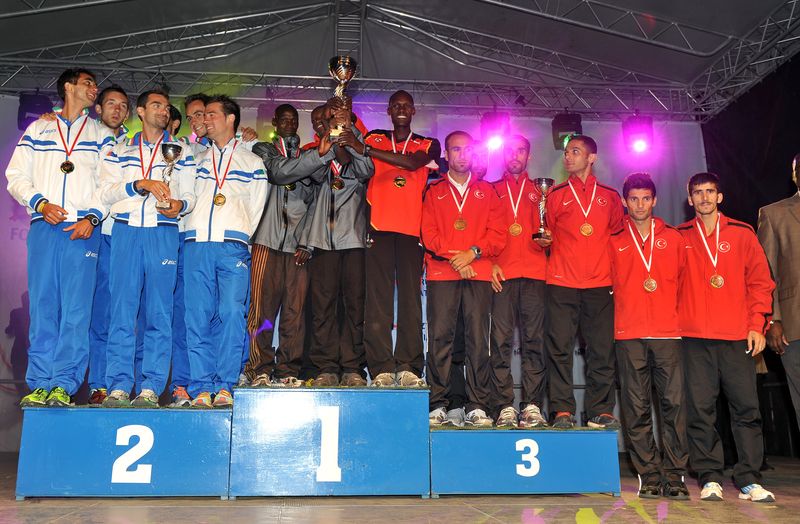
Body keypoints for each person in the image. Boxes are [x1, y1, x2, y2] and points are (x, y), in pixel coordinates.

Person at [8, 67, 113, 407]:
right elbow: (15, 175)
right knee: (43, 308)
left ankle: (64, 385)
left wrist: (93, 217)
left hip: (82, 229)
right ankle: (40, 383)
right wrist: (39, 202)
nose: (94, 88)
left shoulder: (101, 134)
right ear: (69, 87)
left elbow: (109, 183)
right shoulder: (39, 128)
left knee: (76, 312)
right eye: (88, 83)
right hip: (44, 225)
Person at [677, 172, 775, 503]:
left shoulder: (742, 233)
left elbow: (760, 283)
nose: (704, 197)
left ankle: (749, 478)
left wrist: (757, 325)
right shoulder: (679, 236)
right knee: (700, 411)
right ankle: (709, 477)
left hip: (737, 336)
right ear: (690, 199)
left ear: (720, 197)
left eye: (710, 191)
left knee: (746, 409)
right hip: (693, 337)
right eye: (698, 192)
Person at [99, 88, 196, 408]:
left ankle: (151, 387)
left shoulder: (182, 151)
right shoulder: (119, 149)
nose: (164, 111)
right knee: (122, 312)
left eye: (167, 107)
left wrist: (180, 205)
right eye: (156, 105)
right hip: (125, 231)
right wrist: (139, 184)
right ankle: (118, 385)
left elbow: (190, 194)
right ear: (140, 112)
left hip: (164, 232)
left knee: (159, 313)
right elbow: (106, 192)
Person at [183, 95, 269, 408]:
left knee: (232, 312)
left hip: (233, 246)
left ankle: (225, 385)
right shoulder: (194, 158)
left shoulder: (252, 161)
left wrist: (241, 234)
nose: (204, 119)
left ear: (231, 118)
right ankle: (201, 386)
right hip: (196, 244)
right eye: (202, 115)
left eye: (211, 114)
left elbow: (257, 206)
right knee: (197, 315)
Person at [609, 173, 689, 499]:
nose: (640, 205)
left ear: (654, 200)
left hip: (668, 334)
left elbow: (684, 283)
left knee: (674, 405)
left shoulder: (674, 238)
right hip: (628, 334)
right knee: (636, 406)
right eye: (634, 199)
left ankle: (675, 474)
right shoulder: (614, 240)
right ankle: (649, 474)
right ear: (624, 202)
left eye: (645, 198)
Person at [537, 134, 624, 429]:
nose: (568, 157)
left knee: (601, 351)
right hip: (562, 282)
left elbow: (617, 236)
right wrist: (545, 240)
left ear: (591, 158)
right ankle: (562, 410)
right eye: (566, 152)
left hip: (600, 283)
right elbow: (545, 233)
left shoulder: (610, 197)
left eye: (575, 151)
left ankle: (601, 410)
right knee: (559, 349)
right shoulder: (555, 195)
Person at [245, 104, 335, 387]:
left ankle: (287, 370)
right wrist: (316, 158)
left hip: (298, 247)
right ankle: (259, 367)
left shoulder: (308, 156)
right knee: (262, 312)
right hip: (266, 242)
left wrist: (307, 242)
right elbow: (278, 173)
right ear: (274, 122)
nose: (288, 123)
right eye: (283, 119)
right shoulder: (263, 150)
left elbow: (317, 201)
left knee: (294, 313)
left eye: (293, 120)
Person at [423, 131, 505, 427]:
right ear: (446, 154)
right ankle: (438, 403)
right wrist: (459, 259)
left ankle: (477, 404)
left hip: (478, 273)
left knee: (478, 341)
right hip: (443, 273)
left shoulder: (488, 191)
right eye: (455, 149)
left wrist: (473, 253)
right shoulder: (433, 190)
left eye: (467, 149)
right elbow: (428, 234)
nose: (462, 155)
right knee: (440, 339)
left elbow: (498, 235)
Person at [363, 90, 441, 387]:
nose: (401, 109)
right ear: (388, 110)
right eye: (396, 105)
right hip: (378, 228)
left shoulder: (428, 144)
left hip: (411, 232)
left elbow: (411, 164)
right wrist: (362, 146)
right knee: (377, 301)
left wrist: (366, 150)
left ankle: (409, 365)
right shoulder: (374, 136)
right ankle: (381, 367)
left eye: (406, 105)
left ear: (414, 110)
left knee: (410, 300)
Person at [302, 104, 374, 386]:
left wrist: (350, 134)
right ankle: (326, 366)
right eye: (317, 121)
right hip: (321, 242)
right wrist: (328, 149)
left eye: (327, 119)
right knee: (322, 309)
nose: (322, 124)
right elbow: (311, 177)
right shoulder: (314, 152)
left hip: (353, 240)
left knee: (354, 307)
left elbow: (366, 169)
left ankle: (353, 367)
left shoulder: (355, 143)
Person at [489, 135, 548, 428]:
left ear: (529, 156)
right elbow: (481, 231)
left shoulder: (542, 190)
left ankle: (533, 405)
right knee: (499, 342)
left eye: (521, 150)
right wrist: (489, 264)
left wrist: (550, 239)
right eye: (510, 150)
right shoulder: (490, 190)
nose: (515, 155)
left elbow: (554, 230)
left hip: (536, 274)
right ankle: (504, 405)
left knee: (534, 342)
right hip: (502, 275)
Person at [86, 84, 130, 405]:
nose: (117, 109)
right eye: (111, 103)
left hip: (126, 234)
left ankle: (125, 384)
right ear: (98, 108)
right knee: (98, 313)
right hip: (95, 232)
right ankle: (99, 384)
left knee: (127, 314)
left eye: (123, 105)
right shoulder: (84, 137)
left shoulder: (133, 145)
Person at [757, 154, 800, 434]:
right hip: (795, 323)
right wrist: (772, 319)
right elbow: (765, 272)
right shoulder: (774, 214)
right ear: (795, 175)